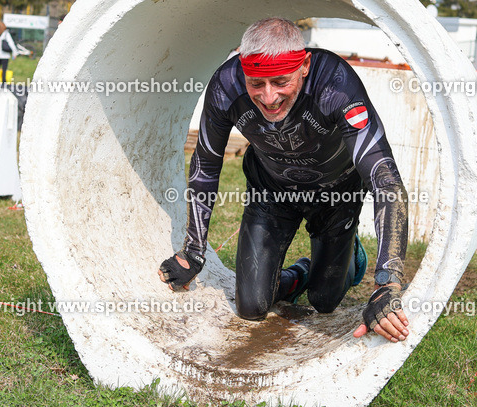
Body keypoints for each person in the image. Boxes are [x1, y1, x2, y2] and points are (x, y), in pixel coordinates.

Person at [157, 18, 411, 343]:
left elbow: (384, 178)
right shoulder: (226, 84)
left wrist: (387, 282)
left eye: (280, 82)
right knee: (251, 306)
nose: (269, 97)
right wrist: (193, 252)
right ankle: (299, 273)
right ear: (242, 69)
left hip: (335, 195)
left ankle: (352, 255)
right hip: (272, 189)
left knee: (324, 301)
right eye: (256, 84)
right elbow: (206, 164)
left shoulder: (335, 83)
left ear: (304, 66)